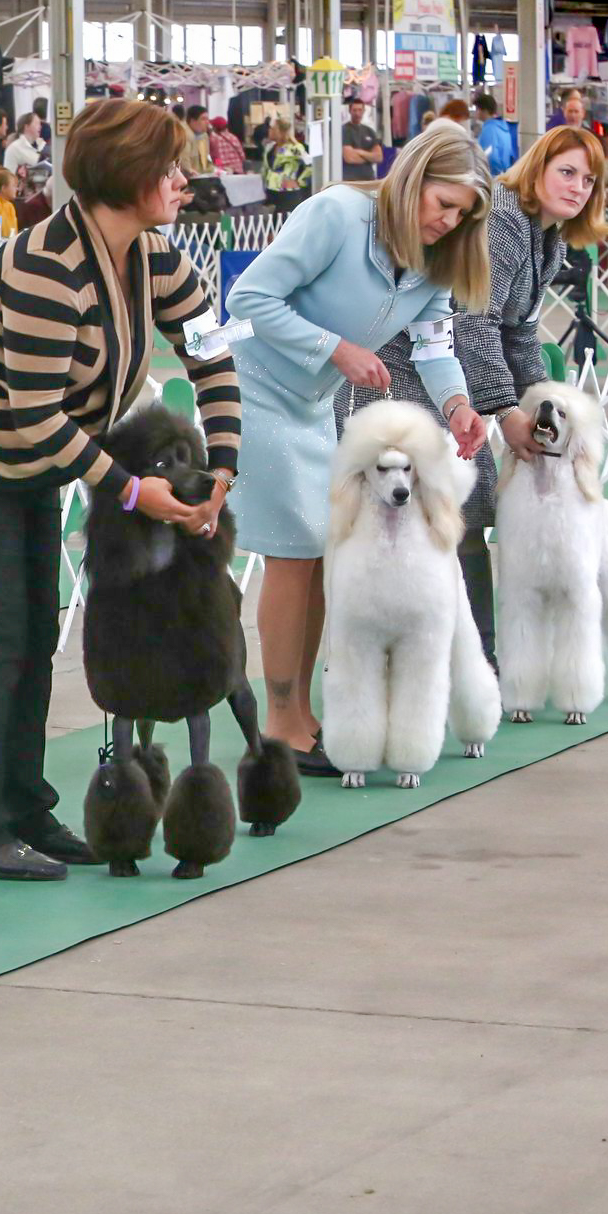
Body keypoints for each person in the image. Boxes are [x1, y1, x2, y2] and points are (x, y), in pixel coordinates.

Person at [0, 98, 241, 880]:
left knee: (36, 634)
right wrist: (131, 494)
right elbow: (35, 414)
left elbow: (212, 355)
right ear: (128, 177)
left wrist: (223, 469)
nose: (184, 181)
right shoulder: (49, 268)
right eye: (170, 167)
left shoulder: (154, 258)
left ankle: (24, 808)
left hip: (33, 458)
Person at [228, 120, 491, 772]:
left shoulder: (434, 267)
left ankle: (300, 713)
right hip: (253, 390)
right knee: (294, 554)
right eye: (443, 203)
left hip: (315, 405)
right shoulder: (337, 214)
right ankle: (282, 724)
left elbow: (435, 350)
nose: (448, 221)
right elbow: (249, 296)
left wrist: (457, 406)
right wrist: (336, 349)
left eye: (460, 215)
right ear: (413, 180)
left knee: (320, 553)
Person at [340, 124, 608, 669]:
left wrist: (542, 405)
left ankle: (475, 653)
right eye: (566, 171)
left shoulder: (547, 239)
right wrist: (507, 410)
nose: (578, 186)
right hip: (405, 372)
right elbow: (474, 323)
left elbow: (520, 331)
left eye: (589, 179)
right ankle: (450, 654)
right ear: (537, 168)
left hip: (451, 380)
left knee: (462, 512)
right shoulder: (506, 223)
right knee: (438, 511)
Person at [261, 117, 311, 210]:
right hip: (270, 191)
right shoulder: (269, 148)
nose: (269, 130)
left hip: (288, 193)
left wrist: (300, 182)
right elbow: (266, 167)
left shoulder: (295, 148)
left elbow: (310, 165)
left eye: (272, 128)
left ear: (279, 131)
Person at [474, 93, 518, 176]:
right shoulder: (503, 127)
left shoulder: (489, 130)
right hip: (505, 175)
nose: (476, 112)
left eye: (477, 109)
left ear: (484, 110)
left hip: (493, 177)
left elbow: (490, 156)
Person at [342, 98, 383, 182]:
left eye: (360, 110)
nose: (357, 113)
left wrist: (359, 152)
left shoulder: (369, 131)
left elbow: (379, 157)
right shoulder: (344, 130)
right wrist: (370, 158)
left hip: (369, 179)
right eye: (354, 110)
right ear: (350, 111)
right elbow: (349, 158)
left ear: (364, 111)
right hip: (350, 180)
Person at [180, 105, 215, 176]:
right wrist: (190, 171)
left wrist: (212, 169)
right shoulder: (184, 135)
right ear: (192, 121)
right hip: (187, 178)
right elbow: (184, 160)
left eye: (207, 119)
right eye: (203, 119)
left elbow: (207, 157)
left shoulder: (204, 135)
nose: (207, 122)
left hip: (201, 176)